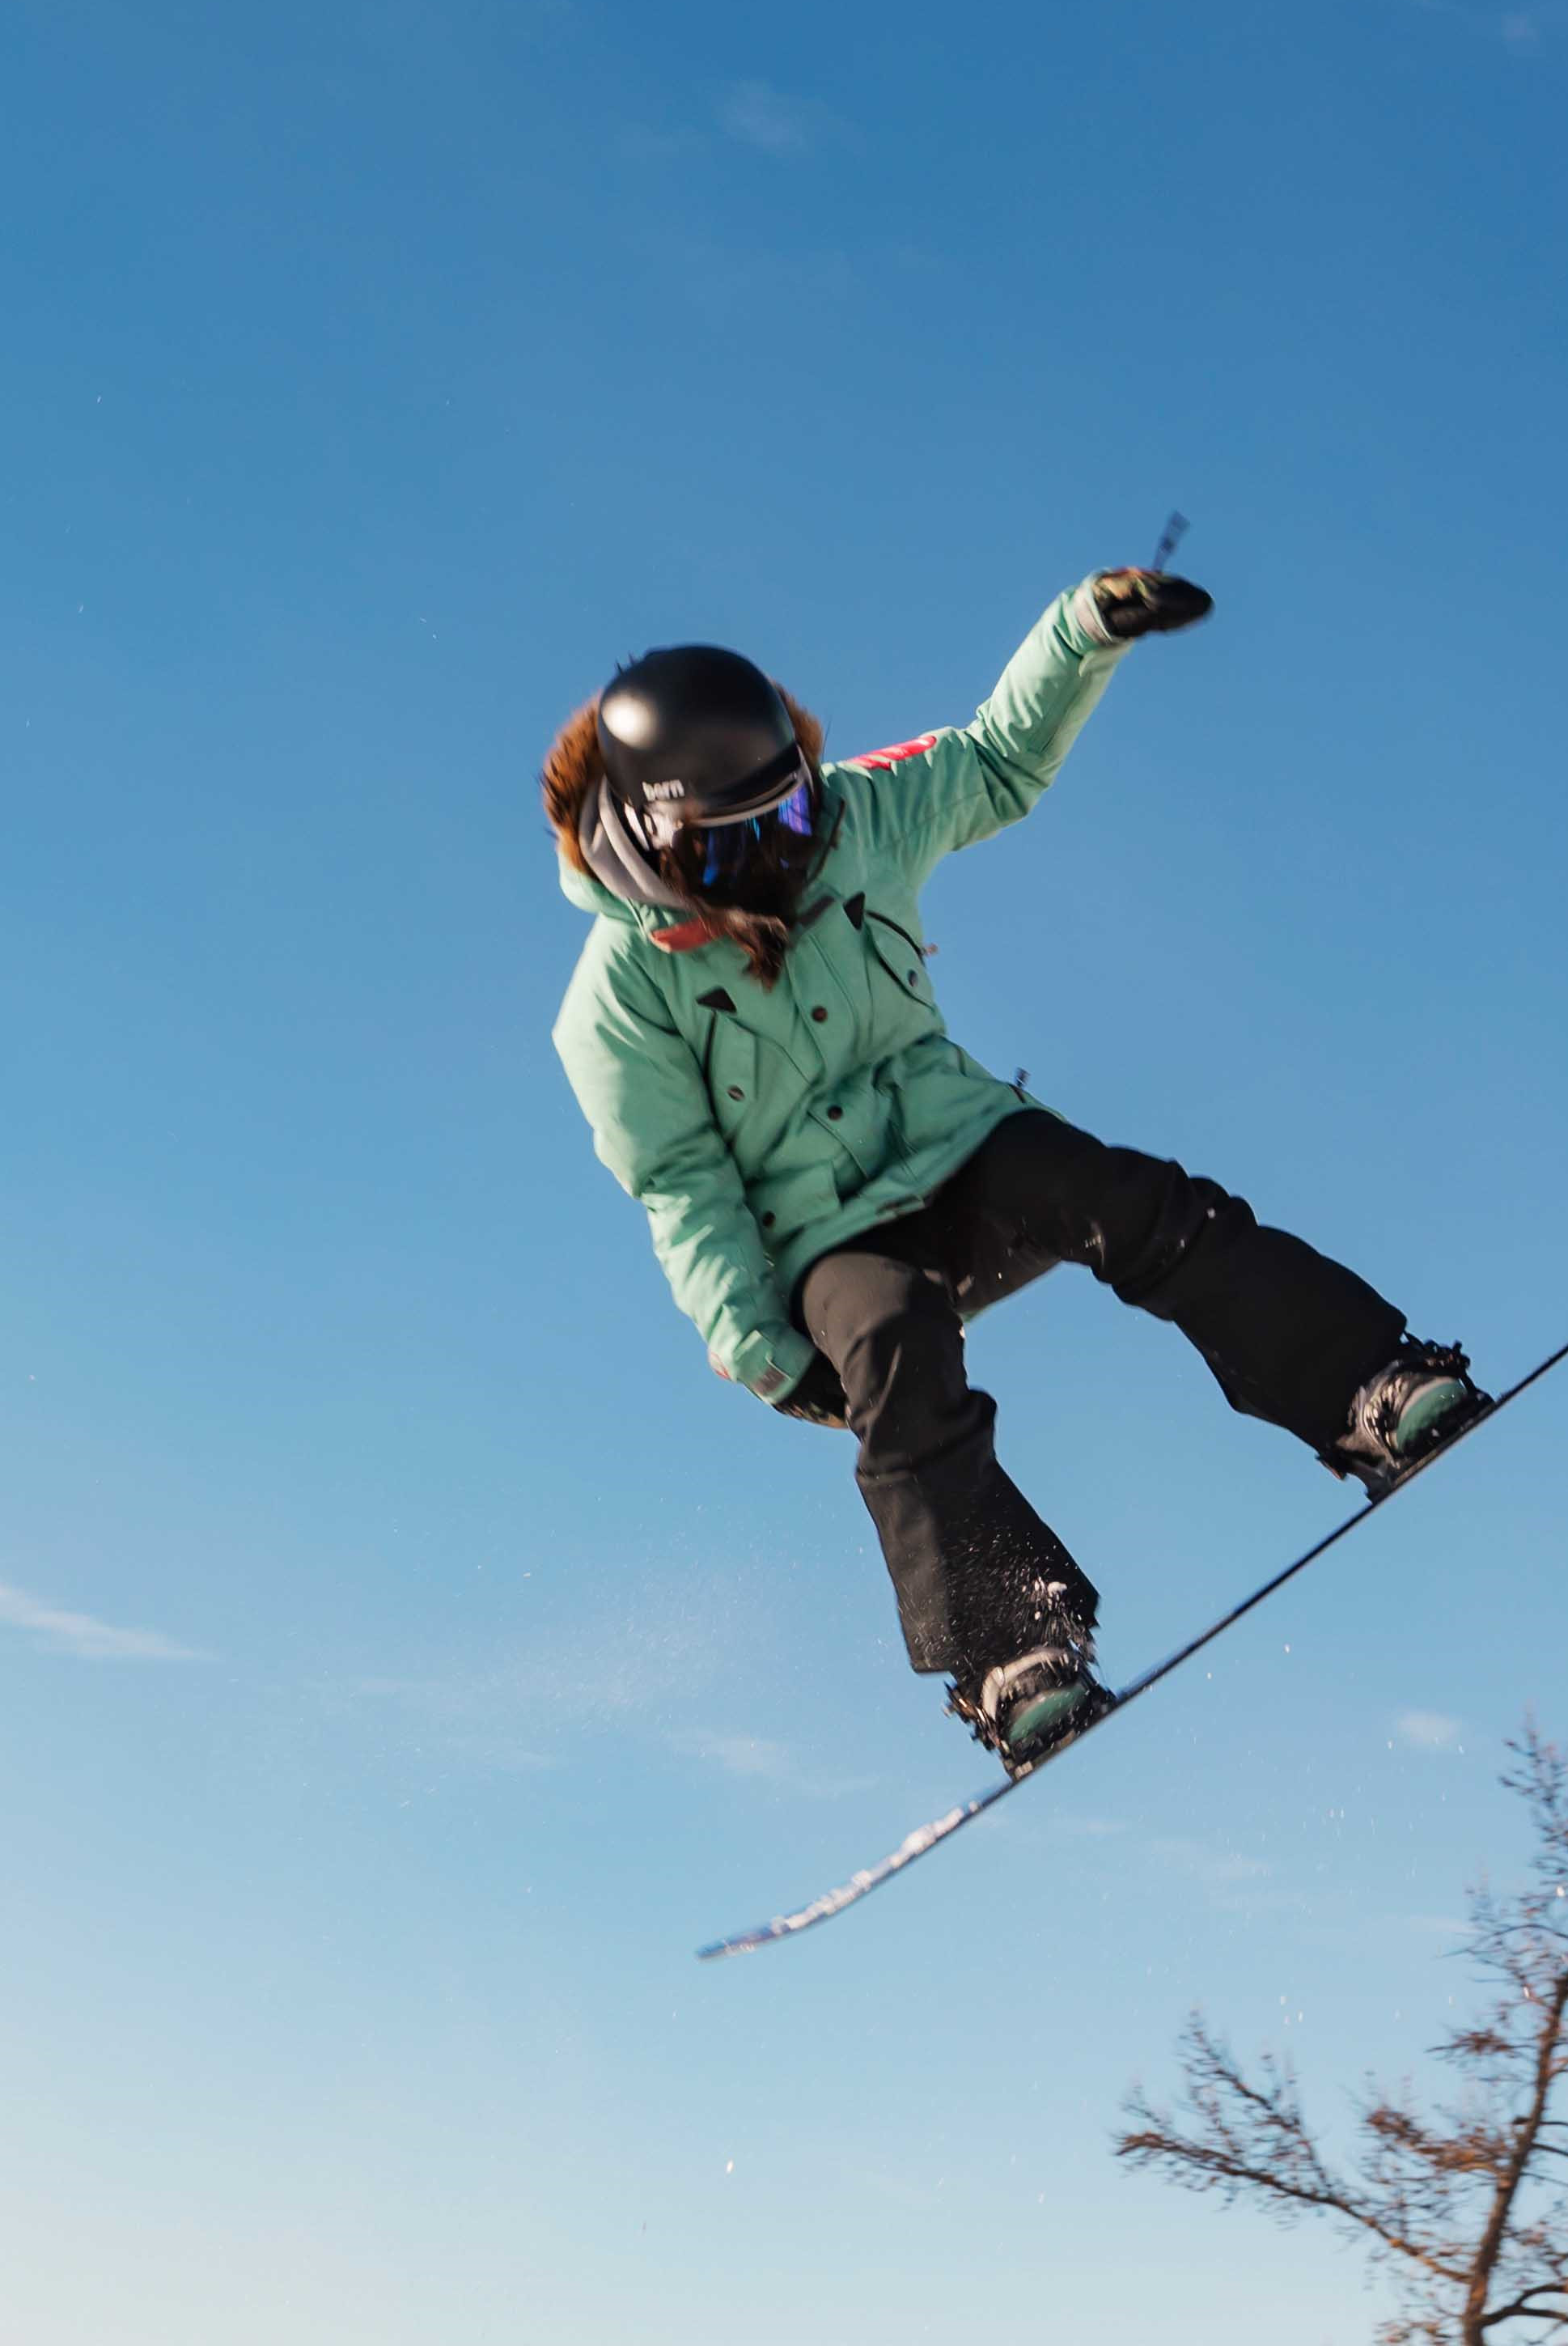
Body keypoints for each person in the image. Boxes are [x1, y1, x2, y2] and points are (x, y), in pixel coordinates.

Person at [540, 564, 1483, 1774]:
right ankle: (1013, 1652)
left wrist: (1084, 631)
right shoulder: (616, 1002)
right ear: (650, 841)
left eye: (791, 818)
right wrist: (757, 1345)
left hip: (962, 1145)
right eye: (739, 846)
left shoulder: (860, 816)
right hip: (829, 1239)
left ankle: (1365, 1388)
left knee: (1135, 1204)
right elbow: (681, 1184)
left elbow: (993, 762)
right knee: (893, 1357)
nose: (782, 856)